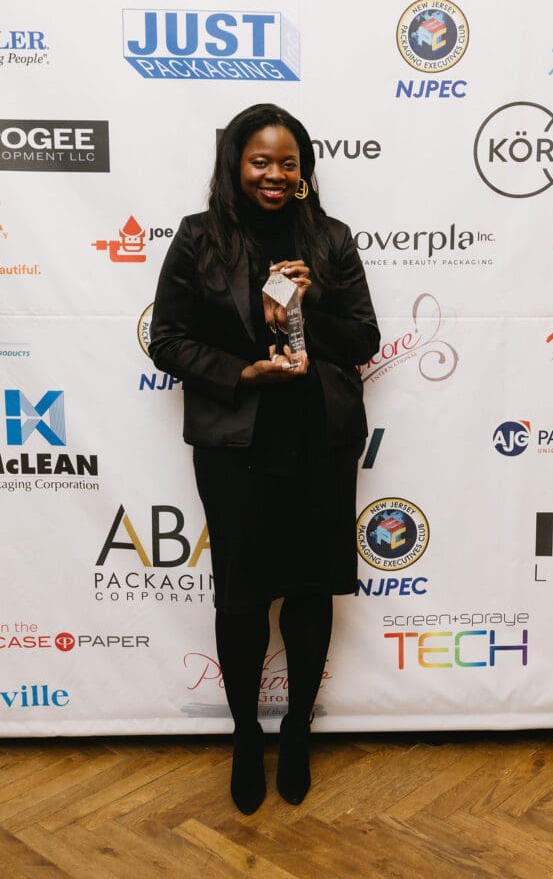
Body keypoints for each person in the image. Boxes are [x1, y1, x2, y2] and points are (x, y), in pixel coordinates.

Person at [149, 103, 379, 814]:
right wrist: (242, 371)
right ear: (236, 165)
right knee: (243, 596)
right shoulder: (199, 238)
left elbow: (364, 339)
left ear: (303, 170)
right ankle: (246, 735)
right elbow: (166, 339)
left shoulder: (330, 240)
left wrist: (311, 305)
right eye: (260, 161)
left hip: (318, 439)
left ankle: (297, 731)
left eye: (287, 162)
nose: (274, 174)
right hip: (236, 446)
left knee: (310, 591)